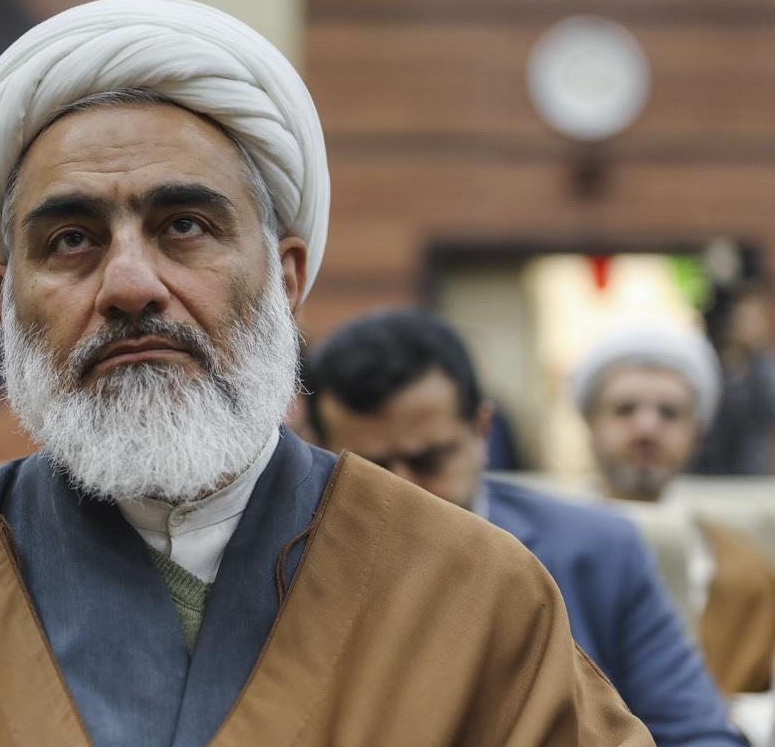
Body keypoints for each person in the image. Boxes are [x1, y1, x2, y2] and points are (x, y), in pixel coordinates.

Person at [0, 0, 649, 746]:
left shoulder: (474, 593)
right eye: (72, 240)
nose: (129, 286)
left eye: (184, 225)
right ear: (1, 304)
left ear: (286, 278)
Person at [304, 308, 743, 745]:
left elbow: (699, 734)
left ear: (481, 429)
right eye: (372, 469)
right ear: (320, 450)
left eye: (429, 460)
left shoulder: (603, 550)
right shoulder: (294, 564)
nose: (404, 491)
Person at [573, 322, 775, 695]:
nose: (647, 427)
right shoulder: (536, 550)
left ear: (697, 431)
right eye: (625, 409)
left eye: (669, 412)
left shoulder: (742, 568)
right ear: (591, 421)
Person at [696, 280, 775, 476]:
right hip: (711, 468)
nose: (746, 325)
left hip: (754, 471)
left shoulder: (766, 369)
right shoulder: (717, 364)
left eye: (753, 319)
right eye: (741, 317)